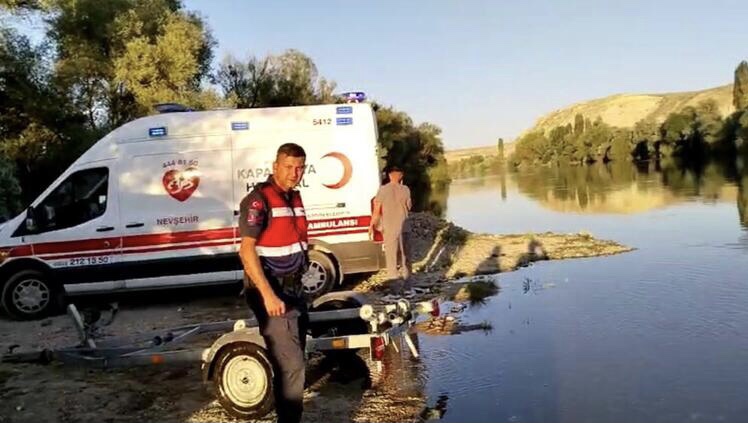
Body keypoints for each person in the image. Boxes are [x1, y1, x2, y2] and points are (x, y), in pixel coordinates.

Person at [238, 143, 309, 423]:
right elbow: (246, 251)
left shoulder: (294, 197)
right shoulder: (259, 199)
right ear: (275, 166)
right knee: (293, 366)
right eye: (289, 166)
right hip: (271, 291)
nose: (295, 172)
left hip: (294, 289)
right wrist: (268, 295)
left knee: (290, 363)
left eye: (300, 167)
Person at [370, 164, 413, 285]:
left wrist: (371, 226)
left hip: (389, 229)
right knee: (405, 257)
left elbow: (376, 210)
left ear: (389, 176)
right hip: (404, 228)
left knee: (391, 258)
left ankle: (394, 287)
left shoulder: (382, 190)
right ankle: (408, 284)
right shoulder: (405, 189)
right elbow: (409, 206)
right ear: (401, 176)